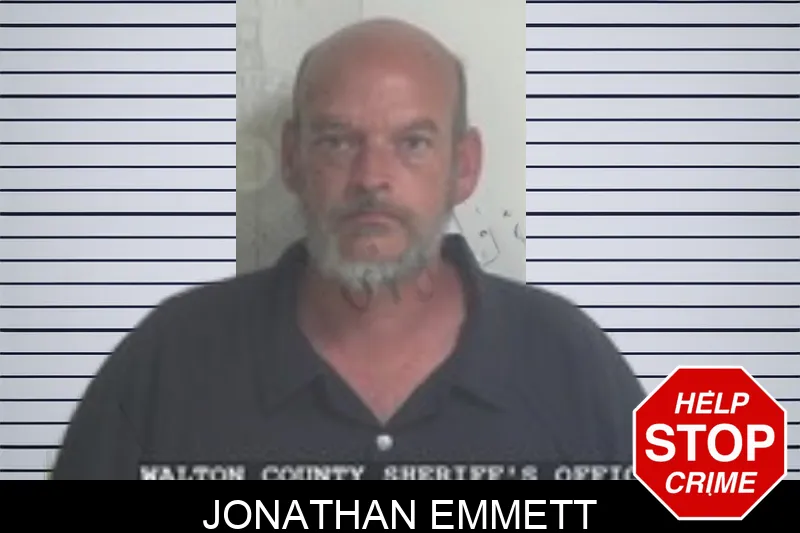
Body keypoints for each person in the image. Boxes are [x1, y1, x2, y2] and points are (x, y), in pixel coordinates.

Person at [51, 18, 645, 480]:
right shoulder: (172, 362)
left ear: (463, 167)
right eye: (337, 141)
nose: (371, 177)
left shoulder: (570, 365)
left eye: (412, 143)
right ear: (291, 159)